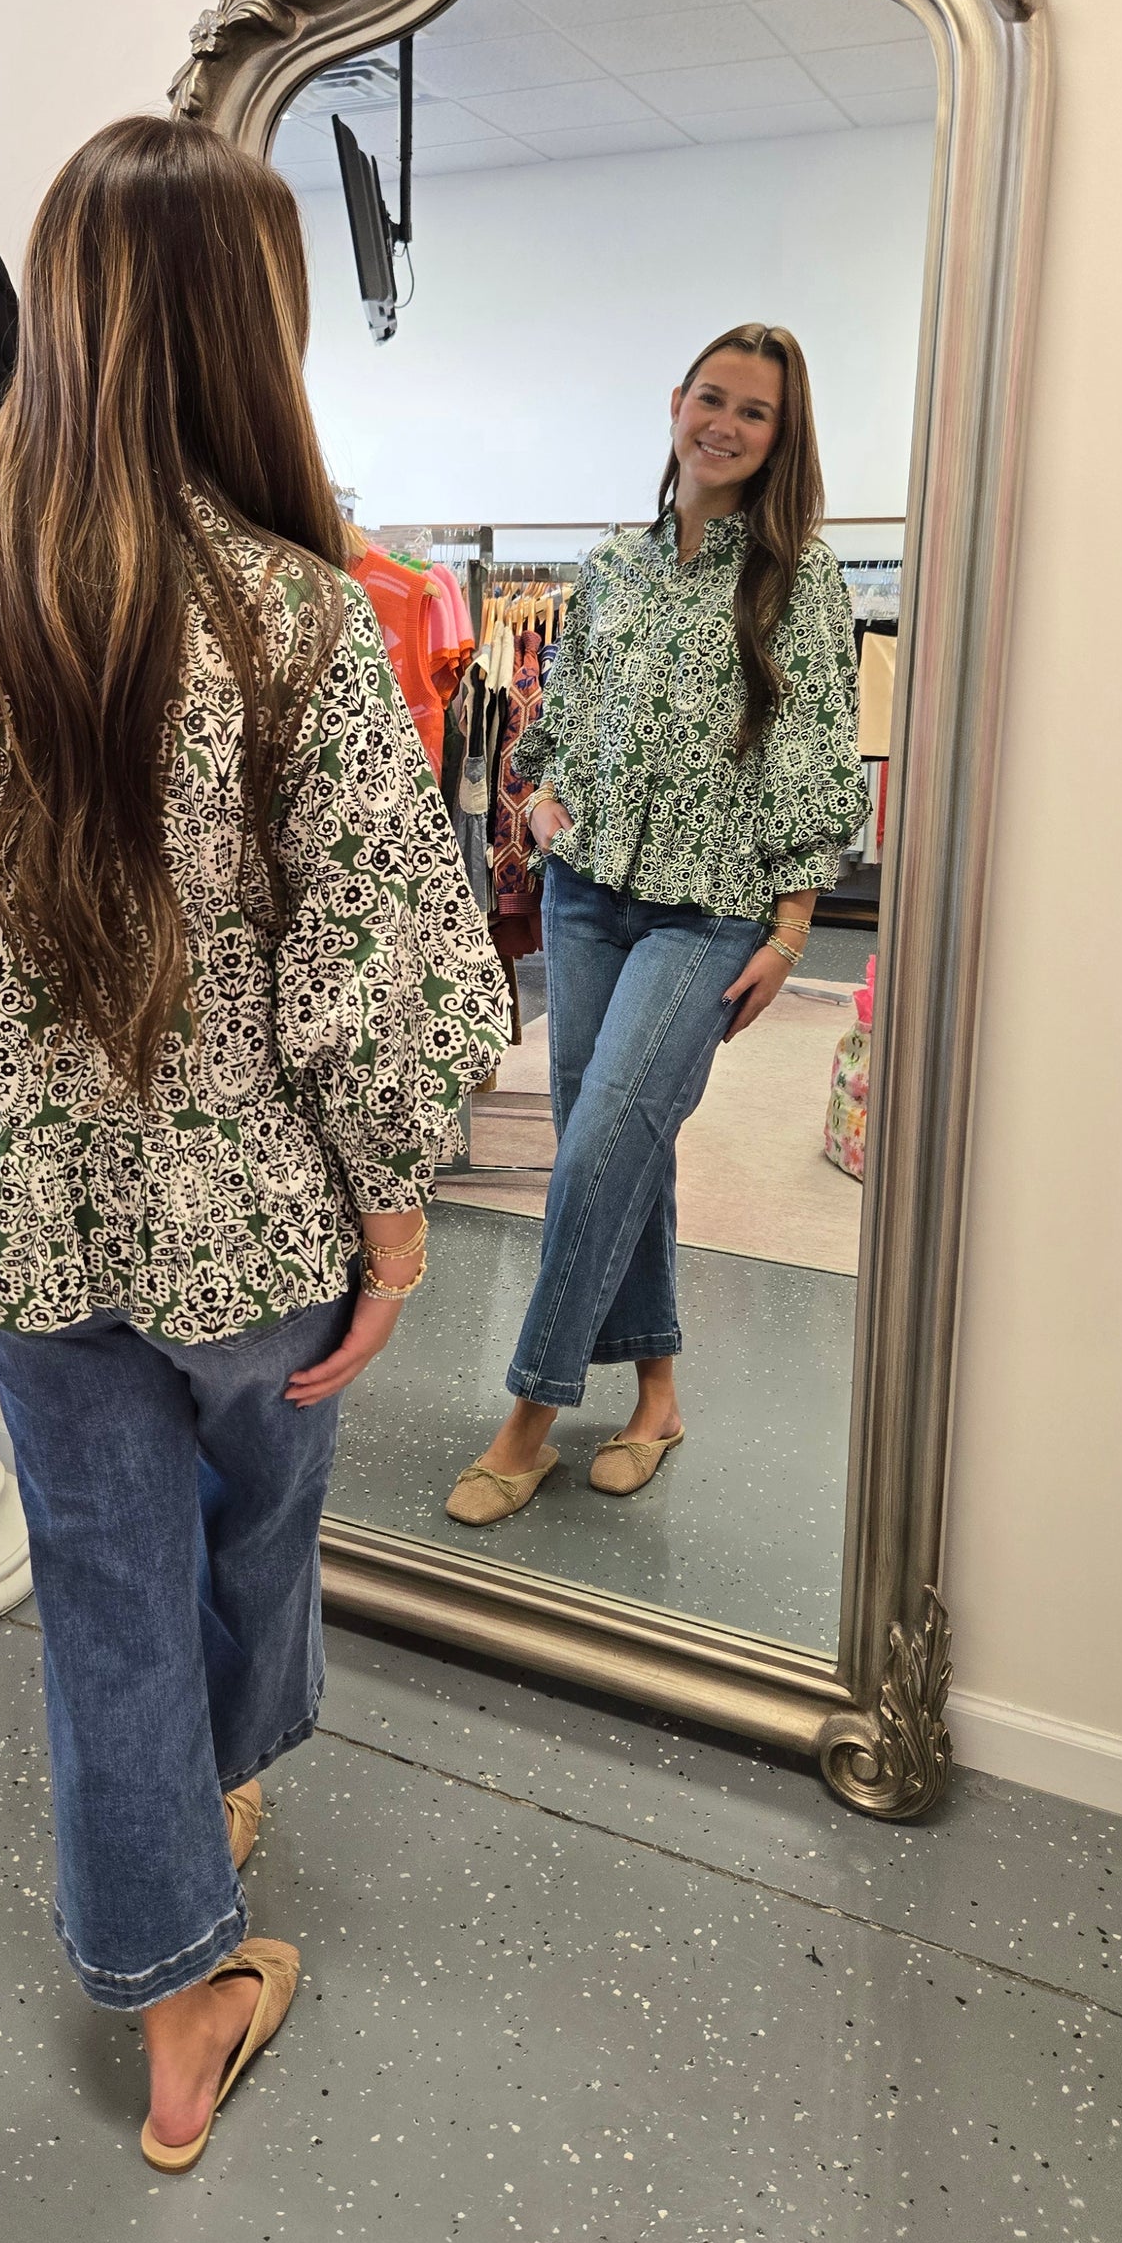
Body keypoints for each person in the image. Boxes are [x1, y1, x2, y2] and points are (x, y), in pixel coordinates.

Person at [0, 116, 508, 2171]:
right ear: (252, 330)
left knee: (103, 1589)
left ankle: (175, 2001)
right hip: (266, 1233)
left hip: (30, 1230)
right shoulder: (304, 623)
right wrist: (397, 1233)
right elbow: (377, 979)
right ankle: (226, 1793)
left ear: (62, 315)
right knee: (256, 1536)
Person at [444, 323, 867, 1527]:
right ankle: (656, 1399)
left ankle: (528, 1415)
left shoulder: (797, 577)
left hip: (711, 911)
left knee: (597, 1145)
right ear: (676, 402)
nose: (723, 424)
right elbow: (561, 712)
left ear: (779, 438)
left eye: (754, 412)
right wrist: (539, 790)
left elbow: (811, 754)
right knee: (620, 1143)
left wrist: (789, 930)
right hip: (585, 895)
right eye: (711, 398)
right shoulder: (609, 568)